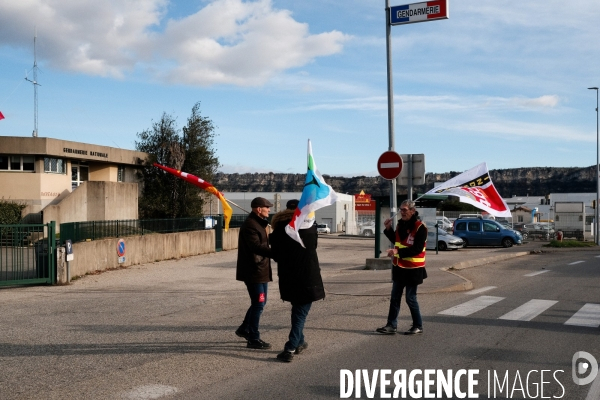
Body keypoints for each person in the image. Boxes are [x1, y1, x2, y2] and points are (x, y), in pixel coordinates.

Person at [269, 199, 325, 362]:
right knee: (300, 313)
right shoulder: (309, 228)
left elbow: (277, 254)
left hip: (289, 277)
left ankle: (299, 341)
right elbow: (313, 245)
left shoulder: (279, 229)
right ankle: (290, 348)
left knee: (297, 311)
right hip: (308, 276)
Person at [376, 199, 427, 335]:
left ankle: (418, 325)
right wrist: (388, 229)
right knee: (394, 297)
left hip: (413, 269)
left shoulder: (420, 227)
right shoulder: (400, 225)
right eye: (401, 209)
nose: (402, 212)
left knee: (410, 298)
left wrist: (398, 252)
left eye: (404, 210)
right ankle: (391, 325)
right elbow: (398, 241)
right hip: (399, 267)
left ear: (412, 211)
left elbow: (417, 248)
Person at [235, 197, 274, 349]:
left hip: (261, 269)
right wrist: (277, 253)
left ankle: (244, 328)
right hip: (254, 270)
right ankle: (253, 337)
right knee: (258, 303)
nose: (269, 210)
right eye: (267, 207)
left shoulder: (259, 223)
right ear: (259, 209)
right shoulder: (251, 225)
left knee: (260, 302)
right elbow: (256, 247)